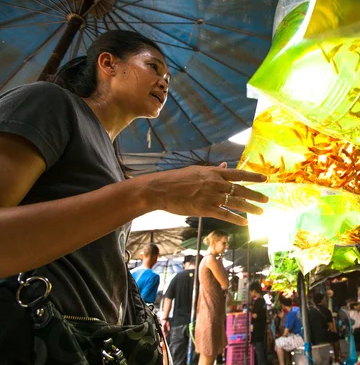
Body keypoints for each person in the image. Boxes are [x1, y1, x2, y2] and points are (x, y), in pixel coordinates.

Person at [0, 30, 268, 364]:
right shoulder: (49, 102)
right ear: (108, 64)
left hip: (87, 345)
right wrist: (149, 192)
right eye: (154, 67)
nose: (164, 82)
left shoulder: (110, 156)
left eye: (168, 77)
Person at [195, 230, 230, 365]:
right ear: (215, 242)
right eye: (224, 243)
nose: (226, 246)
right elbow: (225, 283)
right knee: (208, 354)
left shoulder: (210, 259)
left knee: (209, 354)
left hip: (210, 309)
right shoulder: (210, 260)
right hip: (210, 310)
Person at [162, 255, 201, 365]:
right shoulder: (201, 278)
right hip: (197, 324)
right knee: (195, 358)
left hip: (178, 324)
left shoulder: (178, 277)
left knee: (177, 358)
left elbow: (168, 298)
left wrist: (164, 318)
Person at [309, 292, 341, 363]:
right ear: (322, 300)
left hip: (313, 338)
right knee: (336, 338)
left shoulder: (310, 312)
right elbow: (332, 328)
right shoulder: (327, 311)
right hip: (324, 336)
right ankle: (336, 358)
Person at [275, 295, 304, 365]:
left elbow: (285, 333)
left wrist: (280, 337)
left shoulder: (290, 315)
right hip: (304, 335)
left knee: (277, 342)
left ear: (282, 305)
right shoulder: (297, 309)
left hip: (300, 338)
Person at [249, 281, 267, 365]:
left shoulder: (258, 301)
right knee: (260, 350)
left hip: (257, 330)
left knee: (259, 352)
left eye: (250, 291)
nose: (250, 294)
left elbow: (255, 315)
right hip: (261, 328)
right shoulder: (262, 300)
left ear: (254, 291)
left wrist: (250, 314)